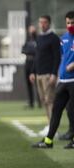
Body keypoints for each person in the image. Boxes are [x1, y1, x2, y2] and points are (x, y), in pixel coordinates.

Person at [32, 11, 74, 149]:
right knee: (56, 110)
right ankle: (48, 140)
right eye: (68, 22)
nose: (70, 25)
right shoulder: (64, 38)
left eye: (73, 23)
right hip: (63, 81)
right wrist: (58, 73)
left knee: (72, 111)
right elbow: (61, 57)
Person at [29, 15, 61, 136]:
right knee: (44, 101)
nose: (42, 25)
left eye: (45, 22)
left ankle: (53, 129)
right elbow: (36, 56)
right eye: (40, 22)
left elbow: (57, 57)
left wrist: (54, 74)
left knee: (50, 101)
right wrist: (33, 71)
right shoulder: (39, 38)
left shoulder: (53, 38)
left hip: (48, 74)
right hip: (39, 74)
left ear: (49, 23)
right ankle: (50, 125)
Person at [21, 25, 41, 109]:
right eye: (30, 29)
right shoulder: (27, 40)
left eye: (33, 29)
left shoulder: (38, 39)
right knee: (28, 83)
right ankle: (31, 102)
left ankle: (40, 102)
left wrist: (30, 51)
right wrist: (30, 51)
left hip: (35, 62)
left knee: (37, 83)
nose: (31, 31)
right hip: (27, 63)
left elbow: (37, 50)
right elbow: (23, 50)